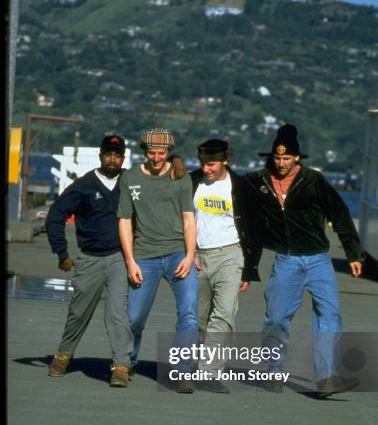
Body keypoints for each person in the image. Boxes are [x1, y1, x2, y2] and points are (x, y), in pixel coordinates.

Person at [246, 124, 362, 398]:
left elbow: (341, 213)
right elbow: (243, 215)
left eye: (287, 158)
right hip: (286, 260)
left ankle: (327, 378)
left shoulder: (313, 180)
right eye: (277, 158)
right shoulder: (257, 181)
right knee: (275, 318)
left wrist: (353, 253)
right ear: (271, 156)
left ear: (297, 157)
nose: (281, 163)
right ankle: (273, 373)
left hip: (318, 259)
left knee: (329, 315)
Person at [45, 134, 134, 387]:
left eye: (117, 155)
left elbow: (161, 182)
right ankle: (63, 355)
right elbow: (56, 215)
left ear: (123, 157)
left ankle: (121, 366)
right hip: (89, 258)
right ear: (100, 156)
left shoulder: (131, 182)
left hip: (120, 256)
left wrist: (177, 164)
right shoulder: (84, 185)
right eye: (108, 154)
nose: (113, 159)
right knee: (78, 312)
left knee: (117, 313)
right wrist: (62, 253)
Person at [117, 128, 199, 393]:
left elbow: (189, 219)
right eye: (151, 152)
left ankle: (182, 371)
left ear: (169, 152)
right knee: (134, 317)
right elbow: (125, 221)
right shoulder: (130, 178)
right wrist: (130, 261)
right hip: (145, 255)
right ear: (144, 151)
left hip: (178, 253)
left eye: (161, 153)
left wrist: (190, 255)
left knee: (188, 313)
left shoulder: (180, 177)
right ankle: (127, 362)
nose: (156, 158)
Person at [190, 139, 261, 393]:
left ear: (225, 161)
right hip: (197, 255)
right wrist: (188, 254)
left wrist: (249, 269)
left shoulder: (241, 187)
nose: (206, 169)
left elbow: (254, 230)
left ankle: (209, 373)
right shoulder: (191, 182)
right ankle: (197, 364)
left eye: (211, 164)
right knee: (198, 318)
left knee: (224, 315)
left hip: (231, 255)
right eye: (202, 164)